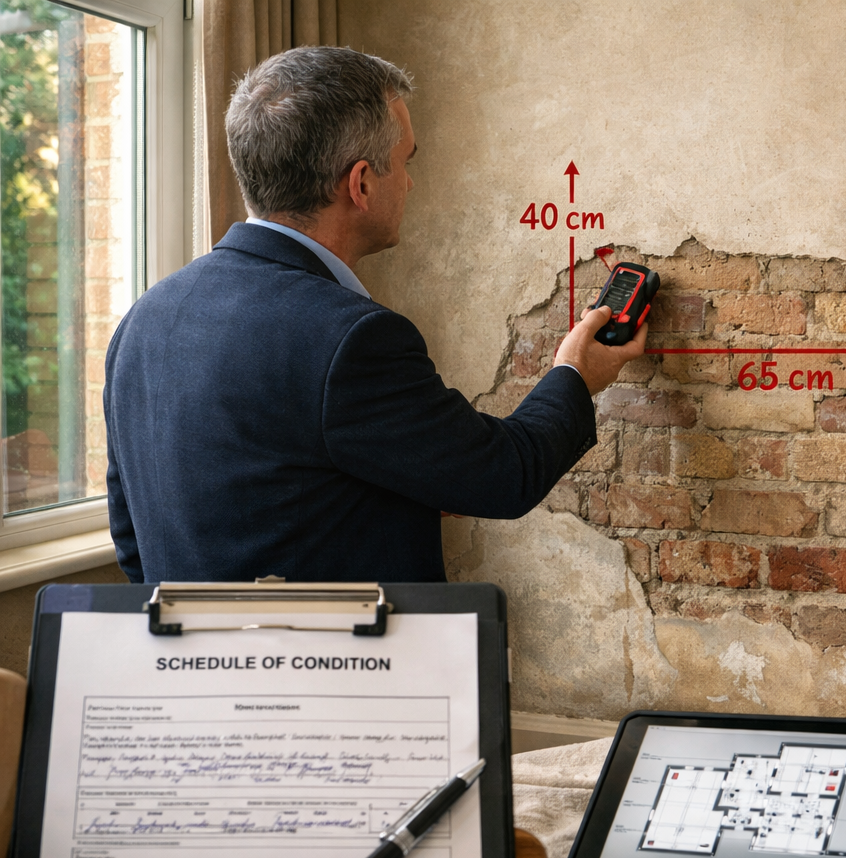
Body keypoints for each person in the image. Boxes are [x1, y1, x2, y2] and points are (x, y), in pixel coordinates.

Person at [104, 47, 644, 584]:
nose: (409, 182)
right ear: (360, 183)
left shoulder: (143, 320)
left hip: (189, 666)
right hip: (343, 668)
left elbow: (135, 540)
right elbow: (505, 475)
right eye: (405, 162)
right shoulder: (351, 337)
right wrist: (575, 372)